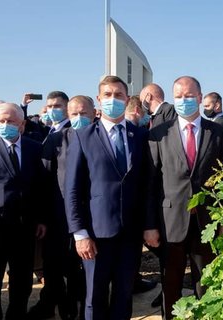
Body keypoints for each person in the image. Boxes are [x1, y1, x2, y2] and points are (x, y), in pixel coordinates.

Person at [144, 76, 223, 319]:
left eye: (189, 96)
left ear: (201, 99)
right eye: (179, 96)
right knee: (170, 285)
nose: (184, 100)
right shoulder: (158, 134)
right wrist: (149, 225)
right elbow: (151, 183)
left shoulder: (218, 133)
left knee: (207, 284)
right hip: (170, 222)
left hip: (208, 222)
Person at [64, 76, 149, 320]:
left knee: (124, 295)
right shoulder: (82, 137)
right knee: (95, 297)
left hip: (130, 234)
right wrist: (80, 234)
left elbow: (145, 184)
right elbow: (72, 190)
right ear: (100, 100)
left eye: (119, 95)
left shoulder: (140, 136)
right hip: (96, 234)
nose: (114, 99)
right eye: (108, 95)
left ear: (127, 99)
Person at [30, 95, 95, 320]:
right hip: (60, 221)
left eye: (83, 114)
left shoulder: (101, 138)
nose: (78, 118)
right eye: (74, 114)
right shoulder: (56, 140)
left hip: (94, 220)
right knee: (58, 271)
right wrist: (42, 219)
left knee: (85, 276)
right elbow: (44, 182)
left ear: (94, 113)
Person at [0, 103, 48, 319]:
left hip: (25, 229)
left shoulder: (35, 148)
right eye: (1, 121)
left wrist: (40, 219)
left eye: (11, 121)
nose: (5, 125)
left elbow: (40, 188)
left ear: (22, 124)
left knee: (21, 284)